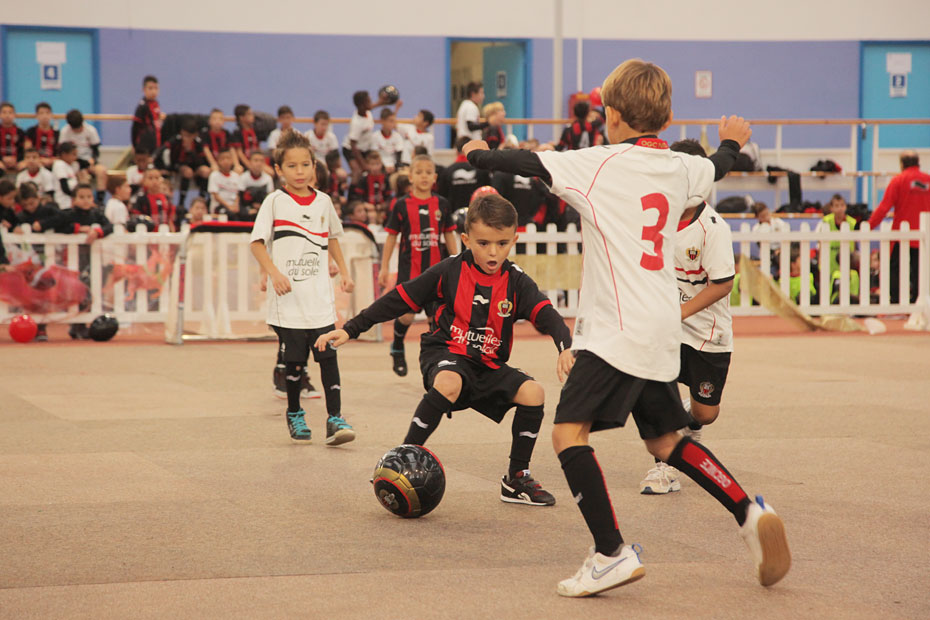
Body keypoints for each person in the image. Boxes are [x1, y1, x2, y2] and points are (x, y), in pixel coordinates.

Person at [465, 58, 790, 596]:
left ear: (611, 115)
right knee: (665, 440)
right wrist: (732, 140)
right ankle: (748, 512)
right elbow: (719, 165)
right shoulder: (683, 168)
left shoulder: (597, 163)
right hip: (662, 328)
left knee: (567, 434)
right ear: (666, 118)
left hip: (615, 332)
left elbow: (525, 161)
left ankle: (609, 553)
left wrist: (476, 153)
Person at [316, 192, 573, 506]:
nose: (493, 252)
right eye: (483, 243)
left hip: (487, 364)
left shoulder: (517, 282)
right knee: (450, 381)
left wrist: (565, 347)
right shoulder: (449, 271)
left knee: (534, 392)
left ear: (514, 239)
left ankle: (516, 479)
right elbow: (398, 299)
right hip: (445, 353)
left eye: (502, 243)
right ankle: (399, 460)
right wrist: (351, 328)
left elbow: (548, 315)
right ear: (466, 239)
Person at [636, 138, 737, 495]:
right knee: (657, 393)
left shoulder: (713, 228)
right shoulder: (655, 219)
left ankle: (686, 419)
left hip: (707, 333)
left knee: (706, 413)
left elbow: (723, 284)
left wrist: (679, 312)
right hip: (665, 329)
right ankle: (663, 469)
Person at [249, 129, 356, 444]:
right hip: (288, 302)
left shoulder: (323, 202)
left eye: (305, 165)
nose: (300, 171)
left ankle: (335, 419)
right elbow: (256, 243)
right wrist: (273, 273)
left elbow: (332, 237)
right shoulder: (274, 202)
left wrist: (344, 271)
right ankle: (295, 412)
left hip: (319, 299)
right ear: (279, 169)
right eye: (292, 166)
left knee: (328, 357)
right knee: (294, 362)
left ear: (314, 166)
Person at [379, 155, 458, 376]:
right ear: (411, 177)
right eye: (419, 172)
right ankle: (397, 346)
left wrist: (456, 261)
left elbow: (449, 234)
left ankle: (434, 361)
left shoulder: (442, 204)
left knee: (436, 319)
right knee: (406, 316)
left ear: (435, 177)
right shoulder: (401, 205)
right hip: (410, 273)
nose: (424, 176)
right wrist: (384, 267)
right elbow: (391, 237)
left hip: (436, 274)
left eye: (428, 172)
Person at [52, 183, 113, 339]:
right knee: (75, 291)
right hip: (71, 260)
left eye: (89, 197)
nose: (86, 200)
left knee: (89, 290)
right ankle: (76, 323)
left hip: (90, 259)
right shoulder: (68, 214)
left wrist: (97, 232)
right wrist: (78, 228)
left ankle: (81, 324)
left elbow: (109, 226)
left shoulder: (96, 214)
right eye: (81, 197)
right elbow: (58, 226)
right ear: (73, 200)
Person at [868, 151, 930, 303]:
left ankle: (896, 301)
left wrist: (868, 226)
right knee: (921, 271)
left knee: (895, 269)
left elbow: (884, 207)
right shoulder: (928, 180)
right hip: (923, 235)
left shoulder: (898, 180)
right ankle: (919, 303)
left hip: (901, 236)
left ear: (902, 164)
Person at [342, 90, 398, 178]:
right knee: (358, 172)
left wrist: (381, 102)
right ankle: (353, 187)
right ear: (362, 105)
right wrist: (363, 165)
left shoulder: (366, 112)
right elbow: (353, 145)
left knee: (376, 168)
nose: (371, 103)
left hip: (364, 149)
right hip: (351, 150)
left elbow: (371, 107)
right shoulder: (357, 123)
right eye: (369, 101)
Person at [156, 118, 211, 207]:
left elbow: (201, 160)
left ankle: (202, 198)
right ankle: (181, 202)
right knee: (187, 171)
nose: (185, 138)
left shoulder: (198, 142)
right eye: (184, 135)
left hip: (195, 167)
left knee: (206, 171)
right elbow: (162, 150)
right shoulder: (177, 140)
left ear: (194, 135)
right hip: (179, 166)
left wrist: (191, 152)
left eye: (188, 136)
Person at [59, 109, 108, 203]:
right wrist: (77, 162)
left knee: (101, 171)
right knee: (83, 176)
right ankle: (86, 201)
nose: (78, 131)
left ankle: (100, 201)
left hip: (89, 161)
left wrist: (92, 161)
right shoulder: (65, 132)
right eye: (75, 129)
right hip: (73, 162)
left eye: (79, 128)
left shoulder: (90, 130)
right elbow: (62, 151)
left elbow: (96, 150)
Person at [437, 136, 490, 212]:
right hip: (478, 214)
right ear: (472, 150)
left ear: (456, 151)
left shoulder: (447, 172)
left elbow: (442, 196)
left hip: (453, 215)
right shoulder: (482, 171)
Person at [238, 150, 275, 221]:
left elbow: (270, 199)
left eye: (261, 161)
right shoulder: (243, 177)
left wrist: (261, 207)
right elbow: (240, 200)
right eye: (256, 160)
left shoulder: (268, 179)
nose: (259, 163)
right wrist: (248, 210)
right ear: (250, 162)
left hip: (263, 209)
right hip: (247, 210)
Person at [132, 75, 164, 150]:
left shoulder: (156, 103)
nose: (153, 91)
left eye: (156, 88)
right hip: (145, 146)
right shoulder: (142, 106)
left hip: (156, 143)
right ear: (144, 89)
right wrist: (134, 145)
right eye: (150, 88)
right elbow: (135, 127)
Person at [207, 147, 241, 217]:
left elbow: (238, 194)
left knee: (245, 213)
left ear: (232, 160)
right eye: (222, 159)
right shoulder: (214, 175)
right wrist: (229, 207)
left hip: (233, 205)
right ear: (218, 161)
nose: (226, 161)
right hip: (219, 207)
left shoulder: (236, 176)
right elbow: (216, 196)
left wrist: (236, 205)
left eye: (228, 158)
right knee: (230, 215)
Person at [24, 102, 59, 168]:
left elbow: (59, 154)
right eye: (41, 113)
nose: (45, 116)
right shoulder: (31, 131)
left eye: (47, 113)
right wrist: (40, 160)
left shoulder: (57, 133)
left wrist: (51, 160)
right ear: (37, 116)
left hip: (52, 163)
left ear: (51, 115)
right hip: (35, 162)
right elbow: (28, 150)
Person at [370, 108, 405, 174]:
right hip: (379, 167)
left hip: (394, 167)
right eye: (391, 121)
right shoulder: (375, 136)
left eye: (394, 121)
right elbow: (374, 156)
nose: (393, 124)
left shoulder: (397, 136)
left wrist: (395, 167)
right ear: (382, 121)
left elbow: (399, 157)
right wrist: (383, 167)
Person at [231, 104, 262, 171]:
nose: (252, 116)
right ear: (241, 117)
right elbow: (239, 153)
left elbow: (258, 148)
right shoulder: (237, 132)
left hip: (256, 161)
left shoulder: (256, 130)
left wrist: (262, 164)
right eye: (249, 114)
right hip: (244, 164)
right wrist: (250, 166)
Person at [52, 142, 81, 209]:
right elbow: (64, 186)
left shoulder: (69, 166)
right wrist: (75, 196)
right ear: (64, 154)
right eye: (73, 154)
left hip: (70, 201)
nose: (75, 157)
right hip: (63, 202)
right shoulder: (59, 164)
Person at [0, 102, 26, 174]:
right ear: (0, 114)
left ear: (14, 115)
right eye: (4, 112)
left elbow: (22, 149)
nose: (7, 115)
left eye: (10, 112)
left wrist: (17, 160)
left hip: (17, 162)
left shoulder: (20, 132)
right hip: (1, 161)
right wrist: (2, 159)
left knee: (27, 166)